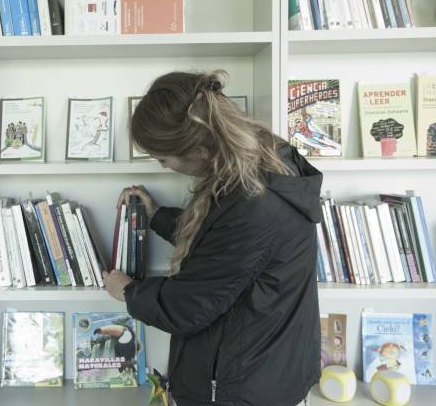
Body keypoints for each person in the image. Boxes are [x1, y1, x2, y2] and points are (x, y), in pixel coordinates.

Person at [102, 70, 322, 406]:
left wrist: (128, 292)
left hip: (243, 388)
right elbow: (224, 250)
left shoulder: (255, 202)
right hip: (266, 368)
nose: (163, 168)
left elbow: (187, 306)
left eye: (163, 159)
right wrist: (158, 215)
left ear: (199, 151)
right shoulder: (263, 164)